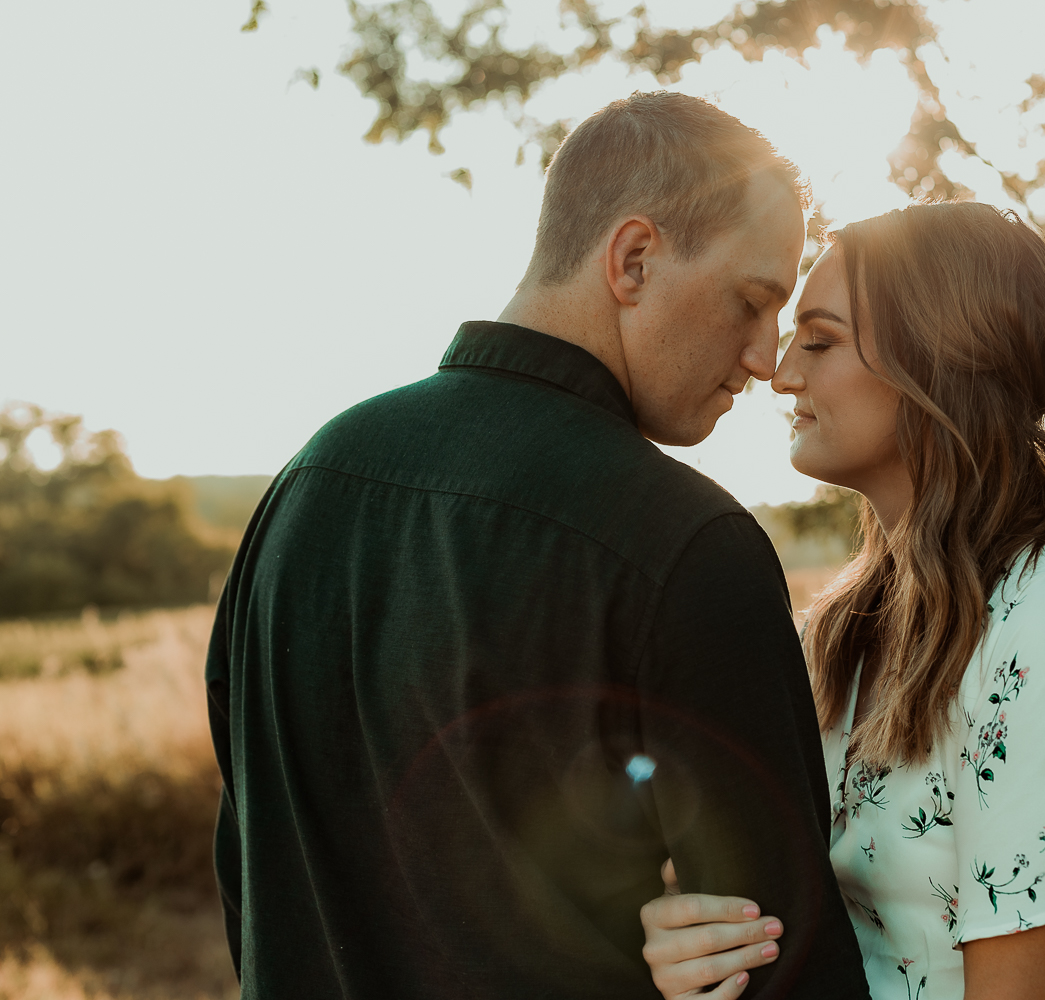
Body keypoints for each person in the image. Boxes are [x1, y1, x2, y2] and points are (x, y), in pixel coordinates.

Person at [205, 91, 869, 999]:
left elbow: (251, 874)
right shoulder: (687, 544)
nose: (763, 358)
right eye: (751, 303)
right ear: (633, 259)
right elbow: (778, 960)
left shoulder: (307, 482)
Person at [639, 202, 1045, 999]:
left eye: (819, 340)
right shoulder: (840, 630)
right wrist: (694, 951)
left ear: (939, 360)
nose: (779, 373)